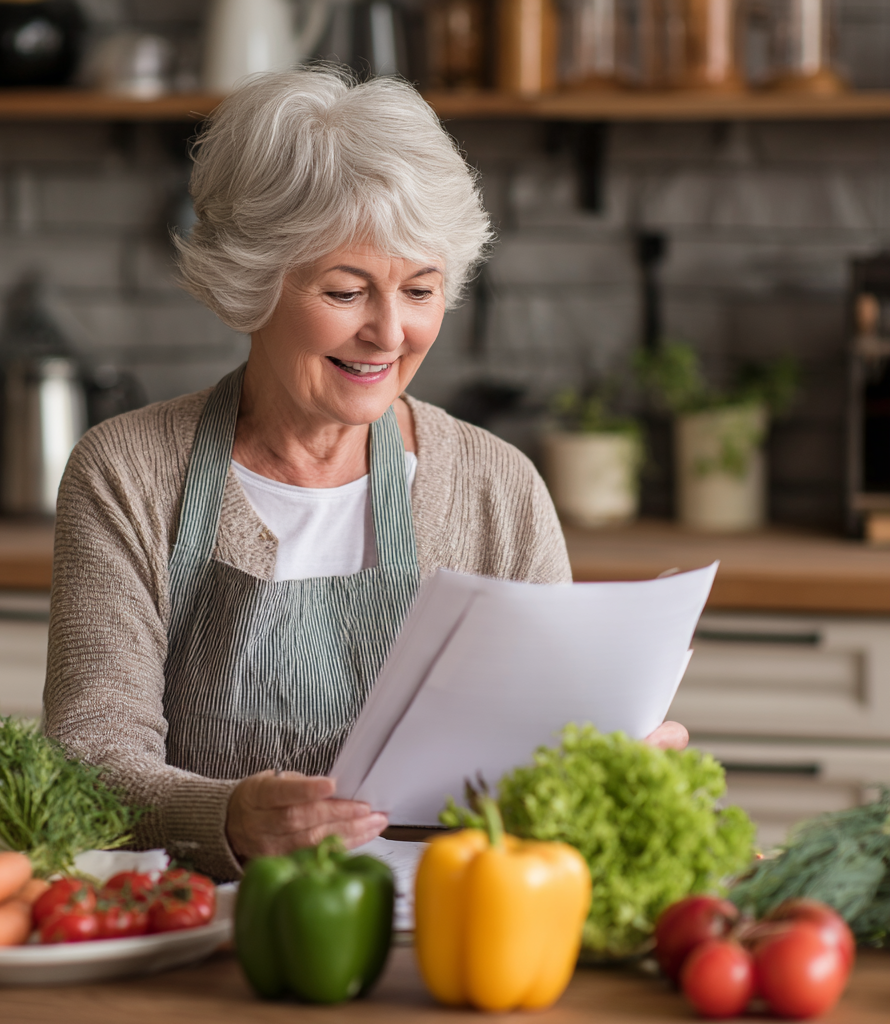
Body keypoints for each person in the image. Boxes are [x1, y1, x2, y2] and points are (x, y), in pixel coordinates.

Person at [43, 67, 687, 881]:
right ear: (254, 282)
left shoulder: (498, 488)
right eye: (347, 291)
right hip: (206, 936)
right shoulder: (128, 472)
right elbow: (88, 759)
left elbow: (548, 761)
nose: (389, 333)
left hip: (459, 937)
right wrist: (225, 818)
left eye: (421, 290)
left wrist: (616, 763)